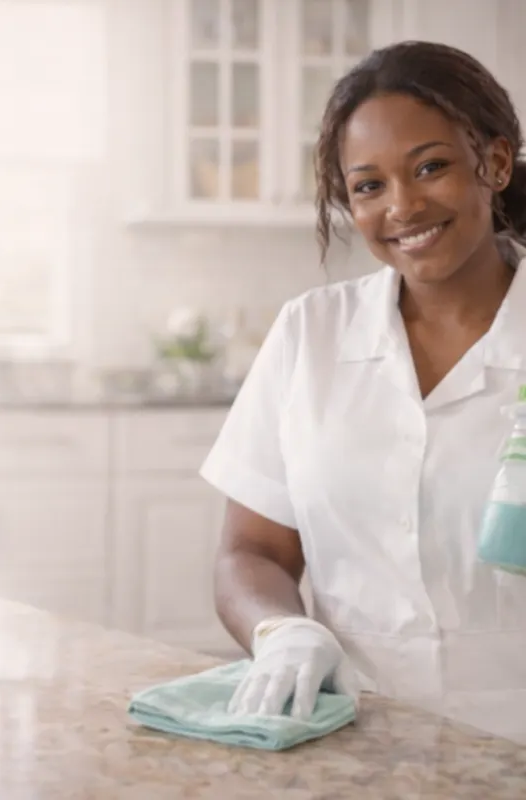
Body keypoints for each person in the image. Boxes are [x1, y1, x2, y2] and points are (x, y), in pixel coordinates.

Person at [202, 39, 526, 744]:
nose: (403, 206)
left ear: (495, 163)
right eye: (369, 186)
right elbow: (250, 551)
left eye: (431, 167)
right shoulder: (310, 334)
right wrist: (282, 631)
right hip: (356, 739)